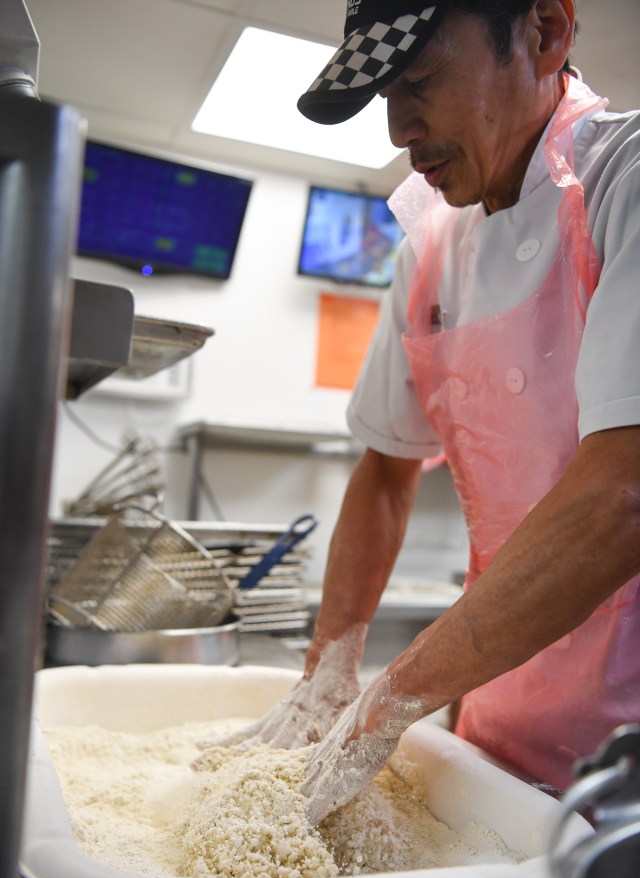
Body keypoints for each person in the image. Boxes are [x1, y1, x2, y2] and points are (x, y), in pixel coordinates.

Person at [218, 0, 640, 826]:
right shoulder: (426, 251)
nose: (398, 130)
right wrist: (328, 673)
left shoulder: (626, 180)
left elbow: (621, 496)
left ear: (545, 35)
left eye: (418, 81)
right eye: (385, 97)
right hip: (492, 720)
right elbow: (383, 470)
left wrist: (389, 702)